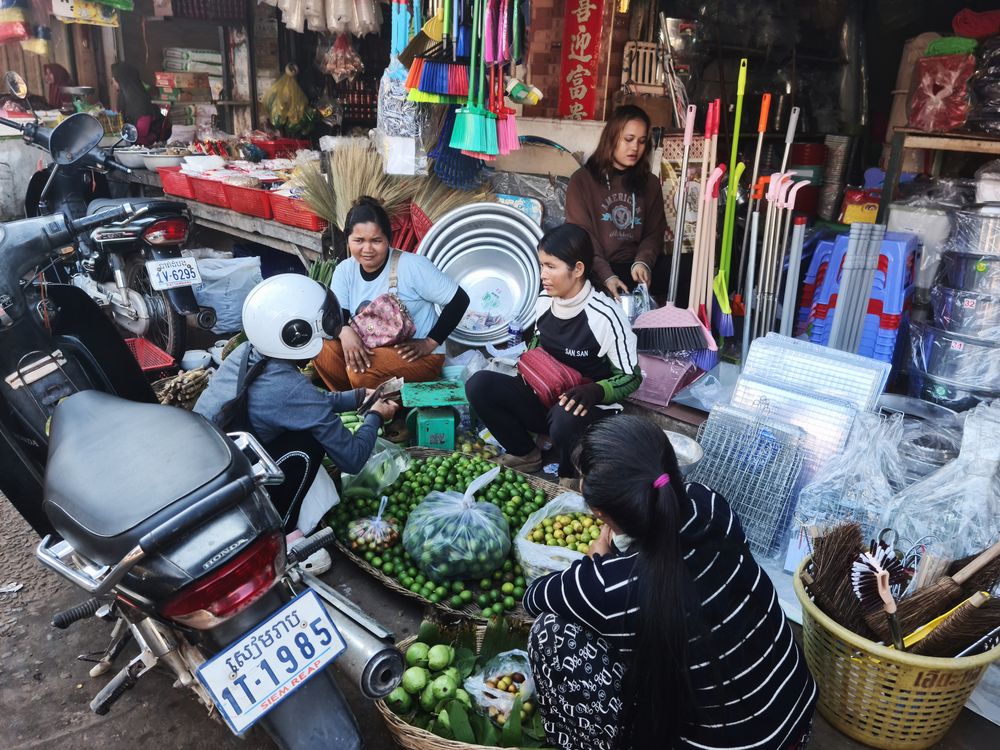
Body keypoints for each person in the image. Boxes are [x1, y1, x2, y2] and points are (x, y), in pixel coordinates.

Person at [523, 415, 818, 750]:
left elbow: (534, 599)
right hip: (795, 719)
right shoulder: (709, 502)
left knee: (551, 632)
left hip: (733, 745)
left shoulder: (611, 587)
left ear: (600, 515)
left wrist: (595, 561)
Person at [194, 274, 399, 531]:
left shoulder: (246, 352)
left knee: (304, 427)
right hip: (227, 491)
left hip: (211, 463)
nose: (323, 343)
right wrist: (376, 415)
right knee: (309, 443)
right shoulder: (291, 388)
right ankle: (283, 530)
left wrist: (358, 396)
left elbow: (303, 402)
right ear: (296, 335)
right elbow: (353, 459)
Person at [465, 224, 641, 486]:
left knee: (565, 415)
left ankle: (571, 473)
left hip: (588, 412)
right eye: (541, 265)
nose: (543, 275)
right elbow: (537, 345)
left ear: (578, 269)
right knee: (479, 384)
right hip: (546, 400)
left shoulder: (605, 316)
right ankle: (526, 453)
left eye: (551, 266)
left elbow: (631, 377)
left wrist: (595, 391)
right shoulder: (544, 302)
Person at [313, 196, 470, 391]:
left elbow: (459, 300)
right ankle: (352, 401)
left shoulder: (412, 266)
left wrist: (430, 342)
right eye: (359, 240)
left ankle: (372, 402)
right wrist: (345, 331)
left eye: (376, 241)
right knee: (321, 347)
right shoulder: (345, 270)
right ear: (348, 239)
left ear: (389, 239)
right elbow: (338, 315)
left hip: (416, 356)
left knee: (359, 371)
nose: (367, 249)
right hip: (371, 349)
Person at [565, 104, 670, 300]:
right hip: (596, 268)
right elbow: (582, 235)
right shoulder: (582, 180)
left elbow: (654, 232)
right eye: (628, 139)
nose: (635, 148)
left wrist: (643, 262)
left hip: (635, 268)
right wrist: (606, 275)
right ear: (612, 137)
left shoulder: (650, 183)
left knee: (687, 269)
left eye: (641, 141)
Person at [110, 62, 169, 146]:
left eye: (114, 78)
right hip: (132, 143)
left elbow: (141, 134)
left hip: (145, 147)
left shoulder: (140, 101)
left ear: (121, 80)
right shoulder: (124, 97)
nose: (112, 81)